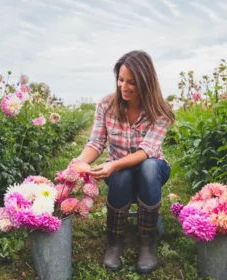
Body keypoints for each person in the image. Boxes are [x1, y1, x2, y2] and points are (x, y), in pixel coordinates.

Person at [72, 50, 175, 274]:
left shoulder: (159, 111)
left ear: (146, 82)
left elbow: (147, 150)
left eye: (132, 82)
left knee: (145, 166)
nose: (124, 87)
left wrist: (114, 164)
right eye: (120, 80)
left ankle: (146, 241)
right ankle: (114, 240)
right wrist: (78, 163)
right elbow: (96, 142)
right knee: (121, 173)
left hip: (153, 172)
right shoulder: (106, 106)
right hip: (120, 176)